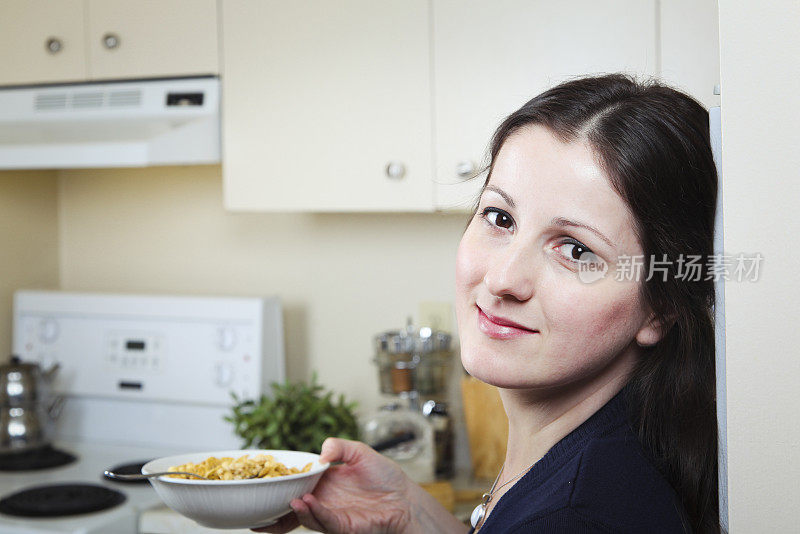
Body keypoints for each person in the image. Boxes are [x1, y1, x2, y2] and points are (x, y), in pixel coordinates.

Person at [256, 74, 720, 534]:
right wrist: (408, 510)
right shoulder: (598, 457)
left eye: (576, 250)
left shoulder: (574, 517)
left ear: (660, 305)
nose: (502, 280)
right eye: (499, 218)